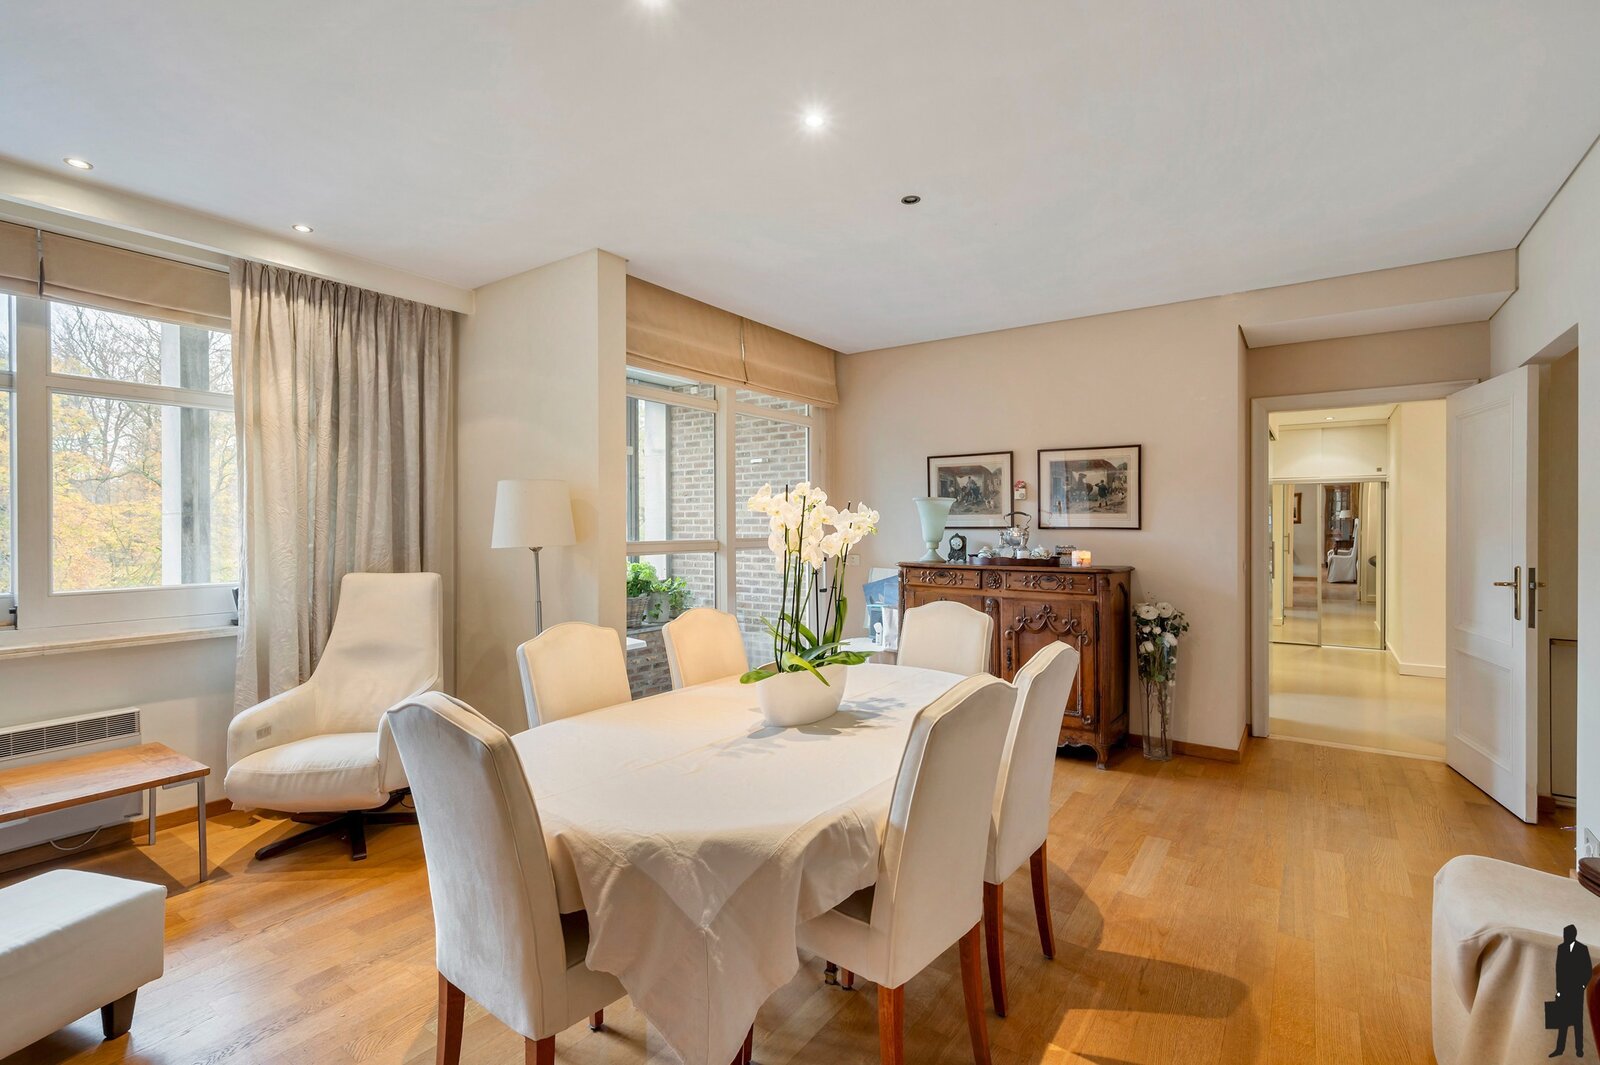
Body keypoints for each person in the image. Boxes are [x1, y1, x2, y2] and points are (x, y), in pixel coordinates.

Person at [1551, 924, 1592, 1058]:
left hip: (1576, 992)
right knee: (1562, 1021)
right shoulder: (1561, 948)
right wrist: (1558, 990)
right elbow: (1559, 970)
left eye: (1567, 934)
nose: (1565, 937)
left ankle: (1579, 1049)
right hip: (1564, 991)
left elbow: (1588, 970)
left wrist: (1582, 986)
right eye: (1564, 934)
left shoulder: (1582, 949)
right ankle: (1559, 1049)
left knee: (1578, 1022)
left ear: (1573, 935)